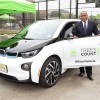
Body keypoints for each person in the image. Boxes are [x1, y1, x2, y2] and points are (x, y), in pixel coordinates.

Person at [72, 11, 99, 80]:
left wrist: (98, 34)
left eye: (85, 15)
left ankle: (89, 74)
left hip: (89, 45)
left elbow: (96, 31)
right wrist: (74, 36)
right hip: (79, 45)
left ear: (87, 16)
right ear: (80, 17)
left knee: (88, 59)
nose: (83, 16)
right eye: (82, 15)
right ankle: (81, 71)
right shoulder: (77, 25)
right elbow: (74, 33)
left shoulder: (92, 23)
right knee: (80, 59)